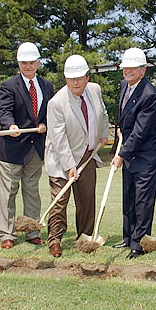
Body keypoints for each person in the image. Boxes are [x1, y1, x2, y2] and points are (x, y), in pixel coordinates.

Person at [45, 55, 109, 257]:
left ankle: (85, 237)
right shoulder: (56, 103)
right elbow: (58, 138)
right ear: (65, 78)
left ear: (87, 78)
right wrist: (69, 165)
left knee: (87, 198)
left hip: (88, 155)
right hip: (61, 158)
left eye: (79, 78)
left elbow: (103, 114)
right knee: (59, 201)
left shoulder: (94, 90)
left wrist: (104, 134)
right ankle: (55, 240)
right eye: (71, 78)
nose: (75, 82)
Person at [0, 42, 55, 249]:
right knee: (8, 193)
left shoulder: (47, 86)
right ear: (18, 63)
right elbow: (4, 110)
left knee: (32, 192)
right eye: (23, 63)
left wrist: (44, 124)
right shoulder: (9, 86)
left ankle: (32, 232)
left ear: (38, 63)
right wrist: (9, 124)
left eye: (31, 62)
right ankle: (7, 235)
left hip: (35, 149)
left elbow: (49, 112)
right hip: (11, 148)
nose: (27, 66)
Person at [110, 48, 156, 259]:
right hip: (130, 152)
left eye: (133, 67)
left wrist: (121, 154)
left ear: (143, 69)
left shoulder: (149, 95)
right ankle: (127, 237)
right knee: (128, 197)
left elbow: (141, 131)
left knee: (142, 200)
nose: (128, 71)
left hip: (146, 155)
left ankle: (138, 243)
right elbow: (125, 120)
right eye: (126, 67)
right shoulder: (124, 85)